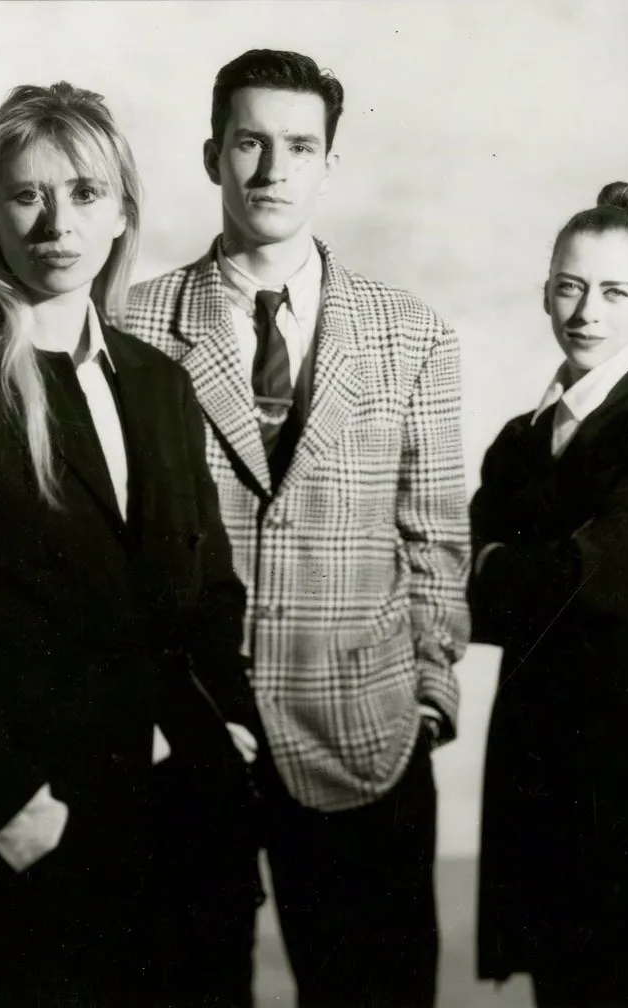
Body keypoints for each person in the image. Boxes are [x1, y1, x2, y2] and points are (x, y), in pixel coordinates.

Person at [0, 82, 256, 1007]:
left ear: (121, 213)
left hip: (179, 839)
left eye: (84, 193)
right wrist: (13, 808)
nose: (56, 222)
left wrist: (225, 727)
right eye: (27, 195)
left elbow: (208, 588)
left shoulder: (160, 384)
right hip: (21, 855)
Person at [127, 49, 470, 1007]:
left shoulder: (414, 334)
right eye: (250, 143)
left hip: (365, 737)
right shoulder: (133, 328)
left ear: (329, 164)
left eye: (300, 146)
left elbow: (436, 536)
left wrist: (430, 697)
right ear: (212, 156)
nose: (274, 169)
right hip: (193, 744)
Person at [470, 182, 628, 1008]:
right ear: (545, 290)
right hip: (532, 755)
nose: (586, 312)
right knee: (558, 985)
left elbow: (600, 588)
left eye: (613, 292)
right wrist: (521, 572)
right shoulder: (519, 439)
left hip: (625, 756)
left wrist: (498, 564)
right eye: (570, 287)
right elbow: (476, 598)